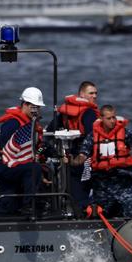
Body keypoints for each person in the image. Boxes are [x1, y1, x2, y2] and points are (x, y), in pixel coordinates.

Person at [84, 104, 132, 219]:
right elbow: (83, 154)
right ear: (101, 118)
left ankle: (128, 223)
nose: (112, 121)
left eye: (114, 117)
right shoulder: (92, 137)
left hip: (123, 183)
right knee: (95, 213)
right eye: (109, 118)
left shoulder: (125, 133)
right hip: (102, 185)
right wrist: (74, 160)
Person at [0, 87, 47, 217]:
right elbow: (6, 151)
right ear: (25, 105)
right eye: (34, 107)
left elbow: (36, 149)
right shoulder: (12, 124)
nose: (37, 110)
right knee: (33, 169)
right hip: (6, 165)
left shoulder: (32, 124)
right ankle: (30, 205)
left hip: (21, 165)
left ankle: (38, 204)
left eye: (38, 107)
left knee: (9, 207)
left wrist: (43, 150)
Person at [51, 81, 98, 213]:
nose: (94, 96)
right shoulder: (89, 113)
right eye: (91, 93)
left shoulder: (66, 112)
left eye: (95, 93)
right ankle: (85, 214)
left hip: (70, 156)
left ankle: (73, 212)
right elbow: (92, 136)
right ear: (81, 94)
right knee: (86, 189)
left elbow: (50, 129)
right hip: (84, 158)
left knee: (74, 190)